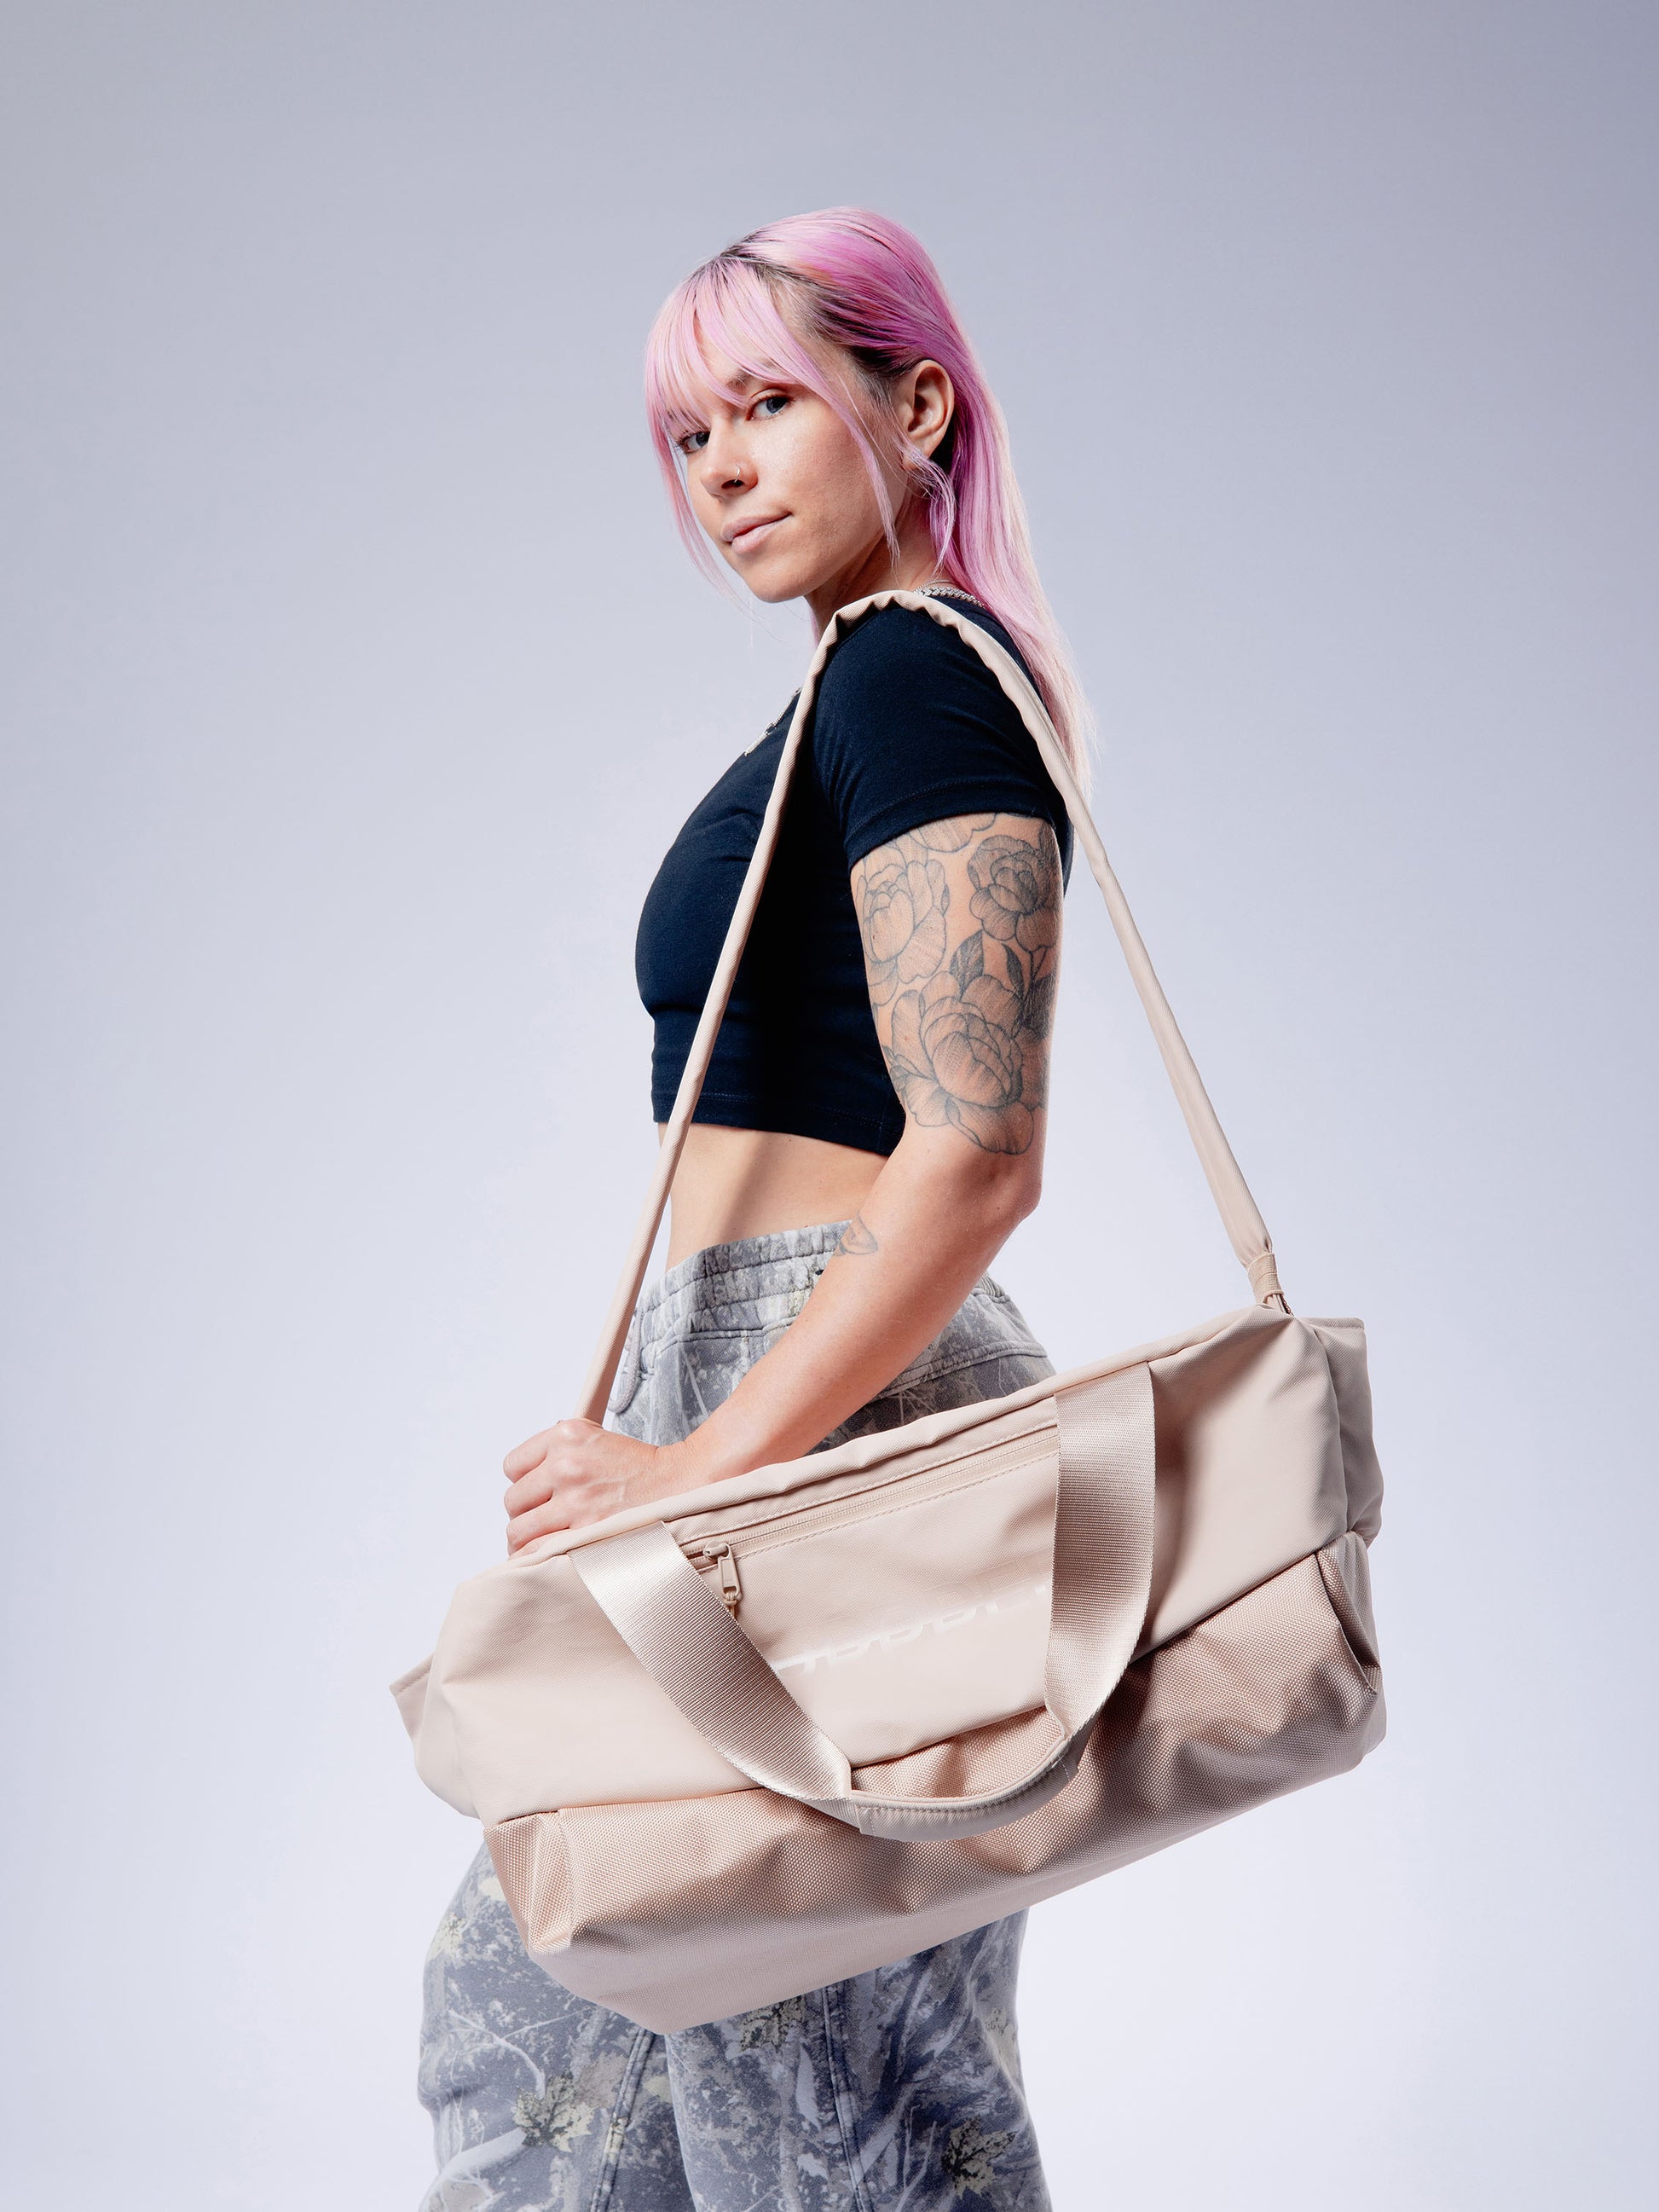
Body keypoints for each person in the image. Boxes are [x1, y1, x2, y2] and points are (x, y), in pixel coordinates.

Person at [419, 206, 1090, 2212]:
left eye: (766, 404)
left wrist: (701, 1474)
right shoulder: (839, 697)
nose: (718, 467)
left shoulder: (915, 684)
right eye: (685, 432)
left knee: (835, 2090)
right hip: (756, 1390)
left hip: (828, 1417)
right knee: (556, 2027)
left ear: (917, 404)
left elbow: (976, 1155)